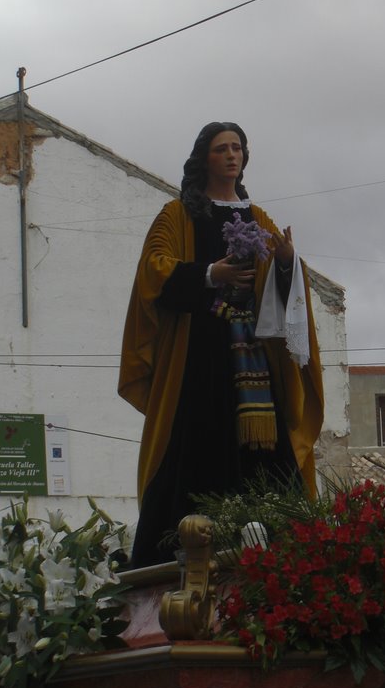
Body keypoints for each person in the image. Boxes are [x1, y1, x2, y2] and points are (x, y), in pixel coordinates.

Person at [119, 121, 324, 567]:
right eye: (221, 149)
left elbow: (282, 290)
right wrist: (213, 274)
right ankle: (179, 557)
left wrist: (288, 264)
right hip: (198, 361)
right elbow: (154, 272)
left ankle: (278, 553)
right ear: (203, 158)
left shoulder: (258, 218)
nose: (232, 155)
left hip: (253, 360)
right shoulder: (177, 215)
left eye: (238, 148)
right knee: (194, 449)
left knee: (267, 458)